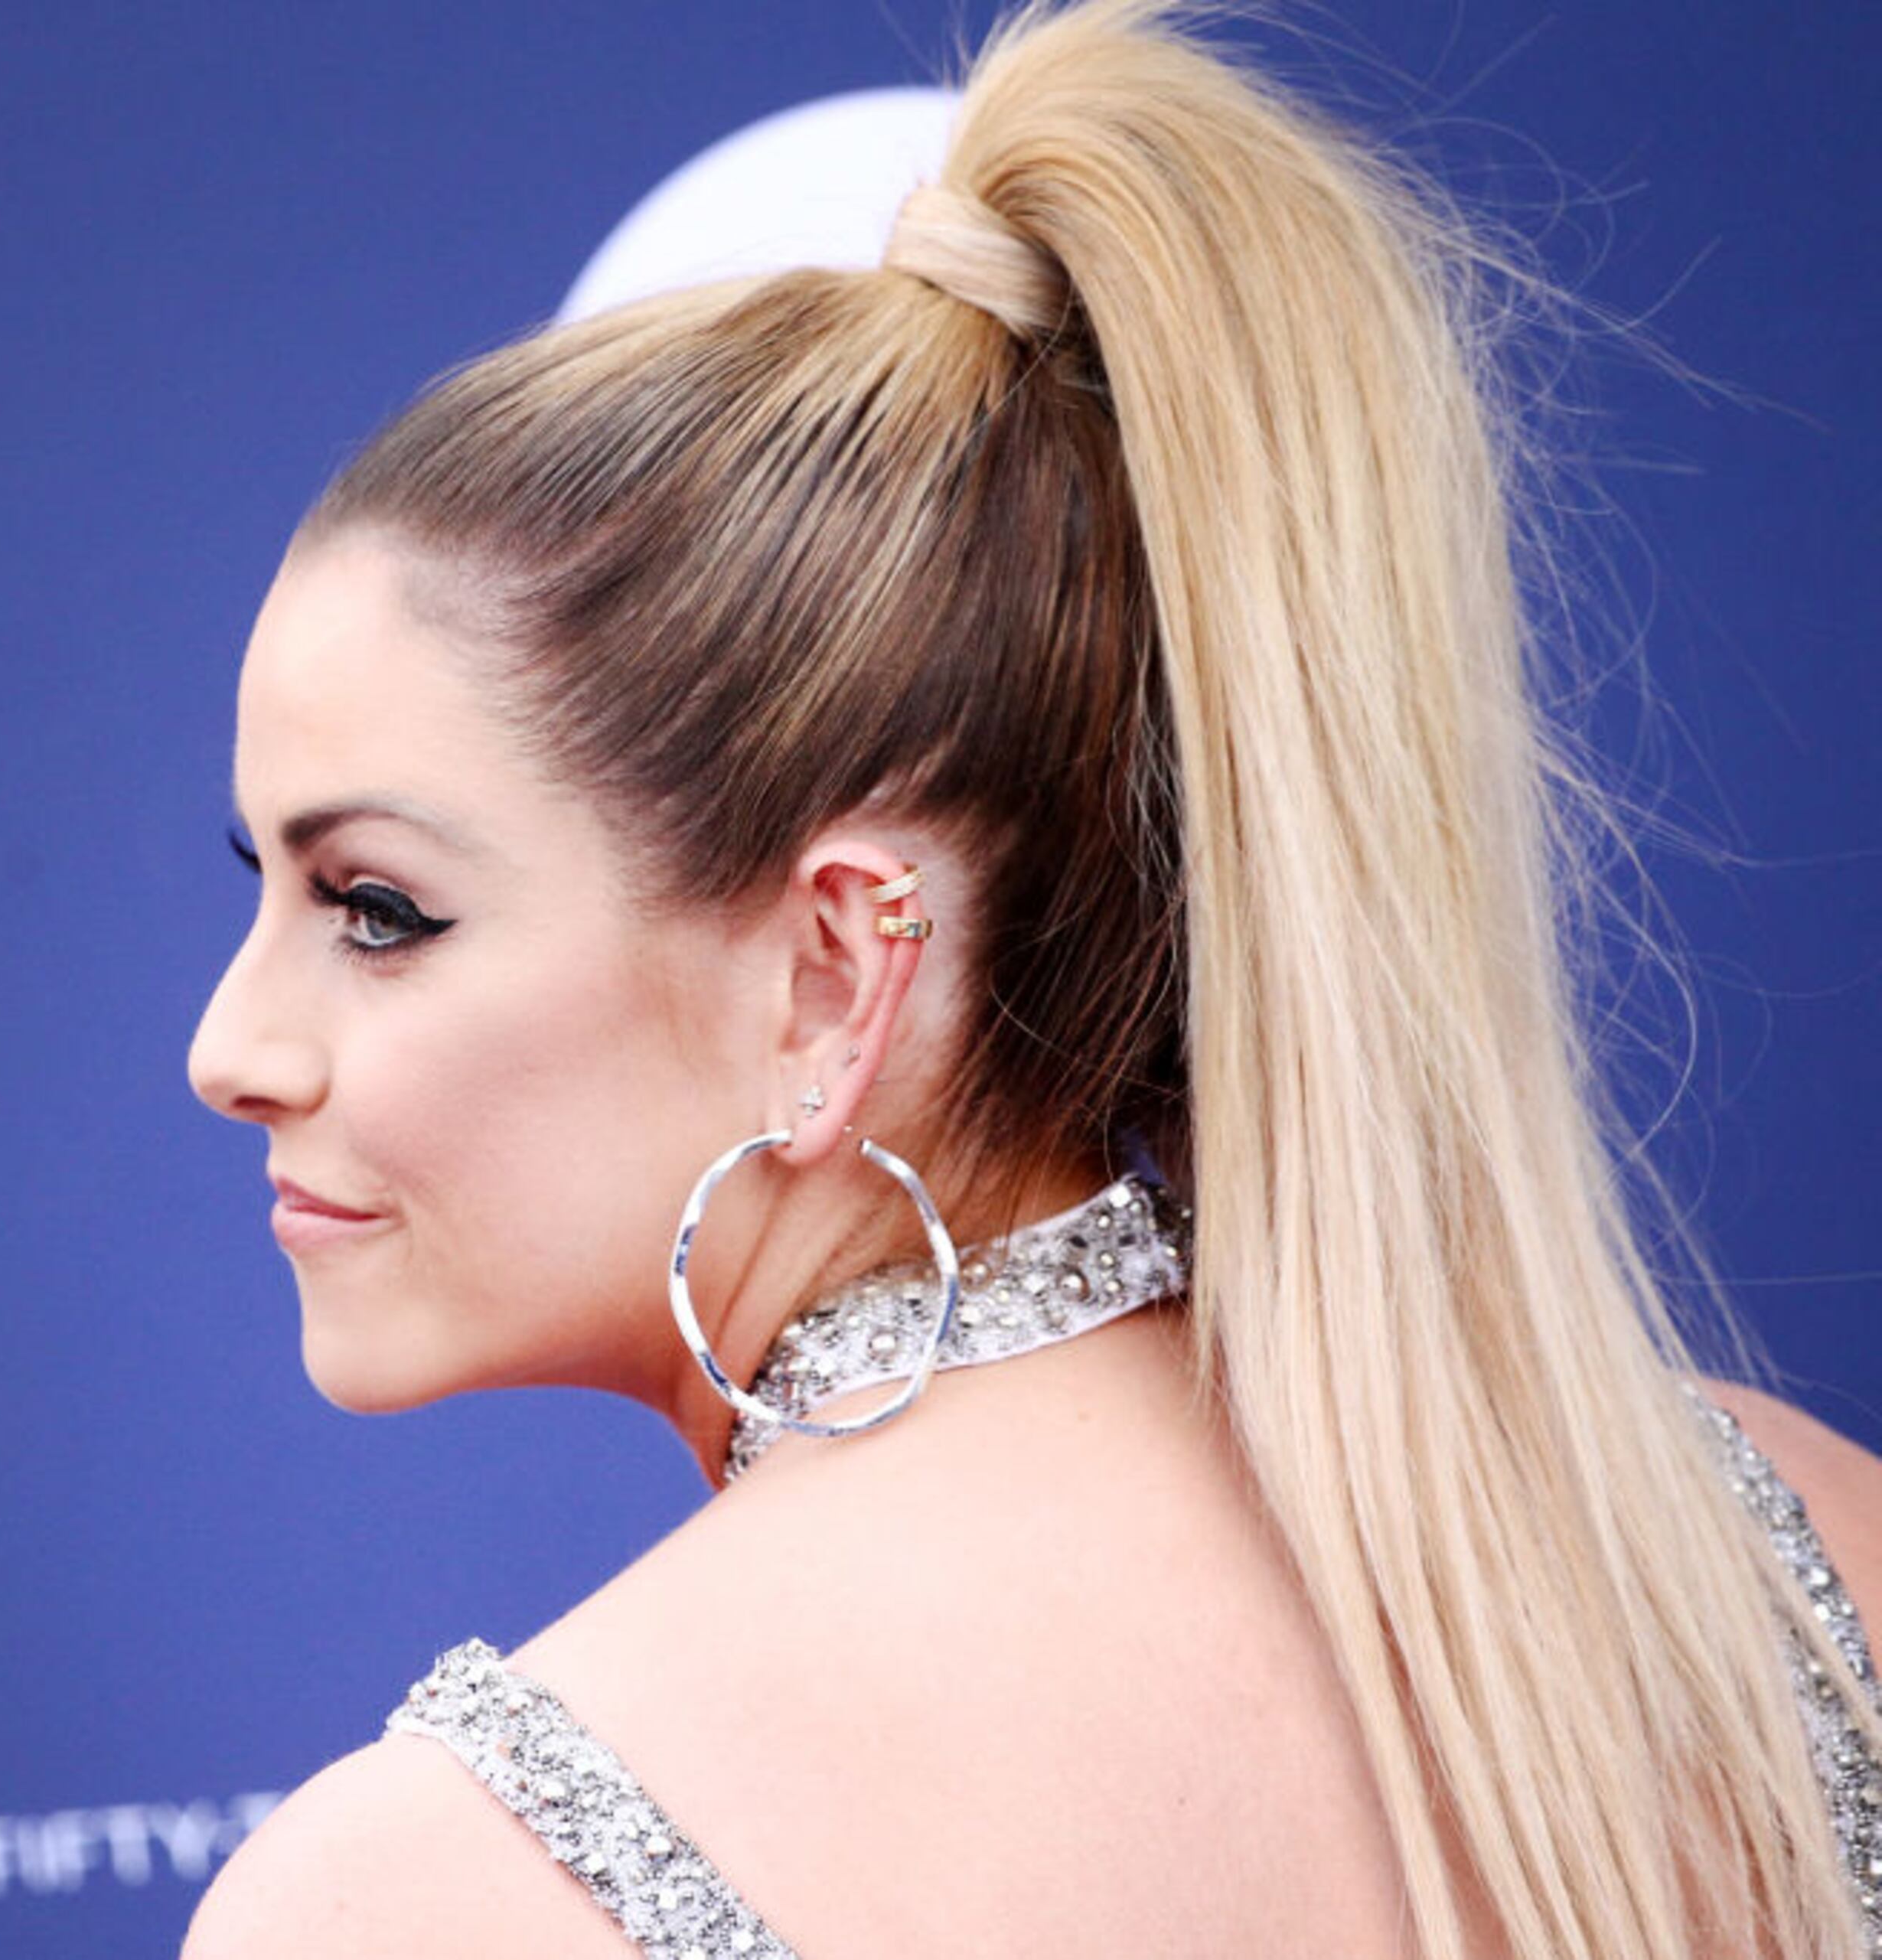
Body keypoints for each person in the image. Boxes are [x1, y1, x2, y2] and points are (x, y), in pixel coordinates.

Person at [181, 2, 1882, 1953]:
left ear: (838, 972)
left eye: (378, 908)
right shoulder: (1799, 1551)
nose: (233, 1049)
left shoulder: (444, 1901)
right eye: (268, 890)